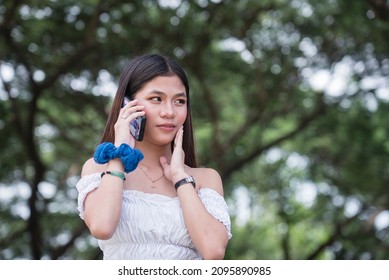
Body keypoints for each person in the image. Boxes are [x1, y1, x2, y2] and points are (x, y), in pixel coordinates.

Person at [75, 53, 232, 260]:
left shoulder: (205, 178)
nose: (169, 112)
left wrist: (180, 178)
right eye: (156, 99)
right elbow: (102, 226)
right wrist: (120, 151)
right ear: (126, 105)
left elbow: (214, 251)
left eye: (179, 101)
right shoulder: (99, 169)